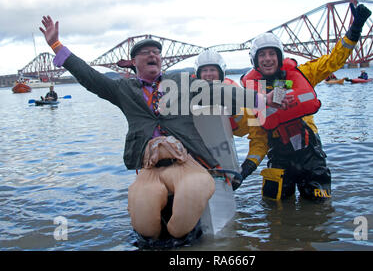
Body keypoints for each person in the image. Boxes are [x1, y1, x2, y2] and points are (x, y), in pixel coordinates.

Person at [39, 15, 282, 247]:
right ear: (134, 62)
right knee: (144, 219)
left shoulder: (182, 83)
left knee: (196, 189)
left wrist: (264, 100)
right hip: (150, 168)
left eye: (156, 52)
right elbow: (89, 76)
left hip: (185, 162)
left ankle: (181, 235)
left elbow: (223, 92)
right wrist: (57, 45)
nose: (153, 55)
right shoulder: (123, 89)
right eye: (145, 53)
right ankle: (153, 239)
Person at [240, 3, 372, 201]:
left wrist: (355, 30)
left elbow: (334, 60)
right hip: (279, 158)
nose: (268, 59)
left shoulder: (304, 74)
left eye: (272, 54)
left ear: (279, 56)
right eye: (262, 55)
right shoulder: (253, 95)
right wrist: (245, 170)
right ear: (255, 60)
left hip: (311, 155)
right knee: (274, 208)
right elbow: (258, 140)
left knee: (319, 210)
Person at [194, 49, 268, 189]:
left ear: (221, 73)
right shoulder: (188, 94)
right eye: (204, 71)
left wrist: (234, 111)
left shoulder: (236, 95)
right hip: (196, 154)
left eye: (212, 70)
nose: (208, 74)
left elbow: (247, 131)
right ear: (198, 74)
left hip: (221, 152)